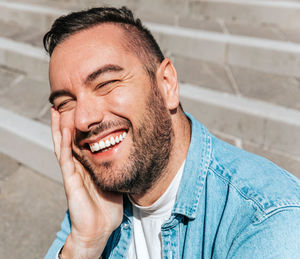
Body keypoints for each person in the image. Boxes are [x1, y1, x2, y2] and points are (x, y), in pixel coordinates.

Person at [44, 6, 300, 259]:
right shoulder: (94, 202)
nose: (84, 119)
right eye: (65, 103)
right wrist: (84, 245)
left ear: (167, 84)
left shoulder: (268, 219)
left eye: (106, 84)